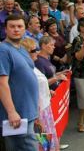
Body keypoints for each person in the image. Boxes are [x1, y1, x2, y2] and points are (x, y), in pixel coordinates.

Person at [0, 14, 38, 150]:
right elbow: (2, 83)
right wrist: (11, 112)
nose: (16, 29)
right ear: (5, 29)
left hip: (28, 111)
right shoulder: (3, 50)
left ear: (24, 29)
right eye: (12, 26)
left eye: (19, 26)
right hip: (17, 115)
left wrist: (36, 104)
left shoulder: (21, 48)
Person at [21, 37, 61, 151]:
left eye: (37, 49)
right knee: (44, 145)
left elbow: (39, 87)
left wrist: (48, 92)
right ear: (25, 53)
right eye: (34, 50)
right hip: (39, 113)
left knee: (48, 143)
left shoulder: (33, 66)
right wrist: (37, 118)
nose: (37, 52)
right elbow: (30, 94)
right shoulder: (26, 70)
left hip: (45, 108)